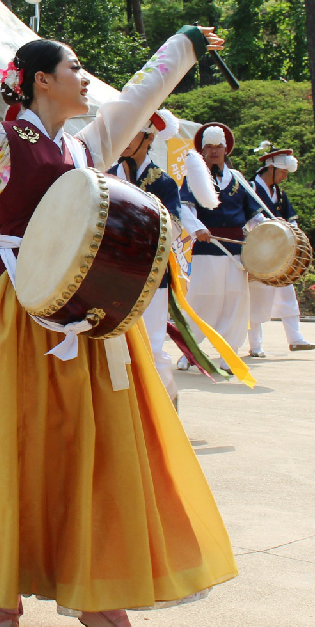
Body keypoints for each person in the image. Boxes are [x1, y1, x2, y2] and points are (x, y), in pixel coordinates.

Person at [0, 29, 238, 627]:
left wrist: (184, 46)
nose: (84, 77)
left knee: (96, 445)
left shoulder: (84, 146)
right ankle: (4, 581)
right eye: (74, 67)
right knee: (11, 445)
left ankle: (100, 594)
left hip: (87, 315)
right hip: (17, 314)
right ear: (40, 79)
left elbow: (138, 95)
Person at [107, 109, 186, 407]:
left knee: (152, 347)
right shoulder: (106, 176)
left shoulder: (163, 183)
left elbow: (174, 227)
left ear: (149, 137)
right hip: (112, 274)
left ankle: (167, 406)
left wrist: (132, 229)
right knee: (114, 347)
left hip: (151, 275)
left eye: (133, 133)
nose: (125, 139)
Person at [177, 122, 261, 371]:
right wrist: (197, 229)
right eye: (209, 147)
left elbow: (253, 214)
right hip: (208, 247)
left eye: (218, 147)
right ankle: (188, 350)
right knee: (202, 299)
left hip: (236, 251)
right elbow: (185, 209)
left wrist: (268, 231)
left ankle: (228, 353)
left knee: (235, 301)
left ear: (226, 150)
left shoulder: (238, 179)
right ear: (202, 151)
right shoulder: (194, 178)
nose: (214, 151)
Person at [245, 142, 315, 357]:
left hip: (279, 253)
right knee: (257, 297)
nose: (285, 176)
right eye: (283, 172)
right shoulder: (251, 188)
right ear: (271, 168)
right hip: (259, 252)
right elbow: (250, 220)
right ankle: (256, 345)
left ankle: (295, 339)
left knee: (287, 294)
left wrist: (291, 233)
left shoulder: (279, 193)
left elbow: (291, 219)